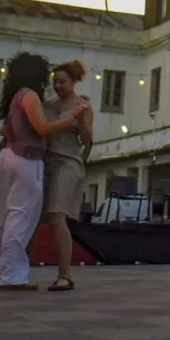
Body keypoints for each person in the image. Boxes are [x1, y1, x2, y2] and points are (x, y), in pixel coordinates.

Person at [0, 52, 87, 291]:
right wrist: (71, 117)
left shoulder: (17, 97)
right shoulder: (31, 97)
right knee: (20, 217)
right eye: (52, 78)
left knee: (1, 217)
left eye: (61, 81)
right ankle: (11, 276)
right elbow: (42, 128)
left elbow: (9, 127)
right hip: (25, 159)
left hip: (10, 157)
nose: (53, 83)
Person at [41, 60, 93, 292]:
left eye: (62, 82)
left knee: (56, 215)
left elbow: (88, 139)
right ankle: (17, 271)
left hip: (69, 163)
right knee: (38, 217)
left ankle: (65, 275)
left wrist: (80, 119)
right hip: (46, 162)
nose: (58, 86)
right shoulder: (48, 104)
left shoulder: (83, 106)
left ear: (73, 82)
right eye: (55, 83)